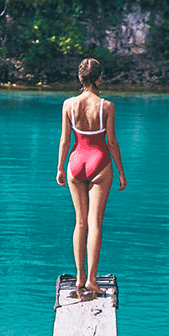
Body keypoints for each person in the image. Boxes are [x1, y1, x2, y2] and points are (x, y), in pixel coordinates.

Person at [56, 58, 127, 299]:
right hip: (100, 163)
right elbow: (112, 142)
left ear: (80, 78)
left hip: (76, 163)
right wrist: (120, 171)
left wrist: (60, 168)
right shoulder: (106, 106)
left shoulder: (69, 105)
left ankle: (79, 277)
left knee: (80, 222)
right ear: (99, 78)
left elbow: (65, 140)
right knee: (95, 223)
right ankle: (93, 281)